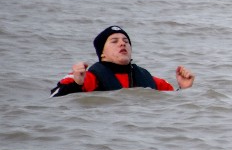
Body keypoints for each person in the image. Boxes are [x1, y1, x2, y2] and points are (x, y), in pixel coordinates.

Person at [50, 25, 195, 97]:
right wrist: (77, 84)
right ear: (102, 53)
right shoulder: (87, 77)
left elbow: (177, 108)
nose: (122, 43)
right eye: (114, 41)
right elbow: (54, 96)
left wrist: (184, 89)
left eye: (126, 41)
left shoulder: (151, 80)